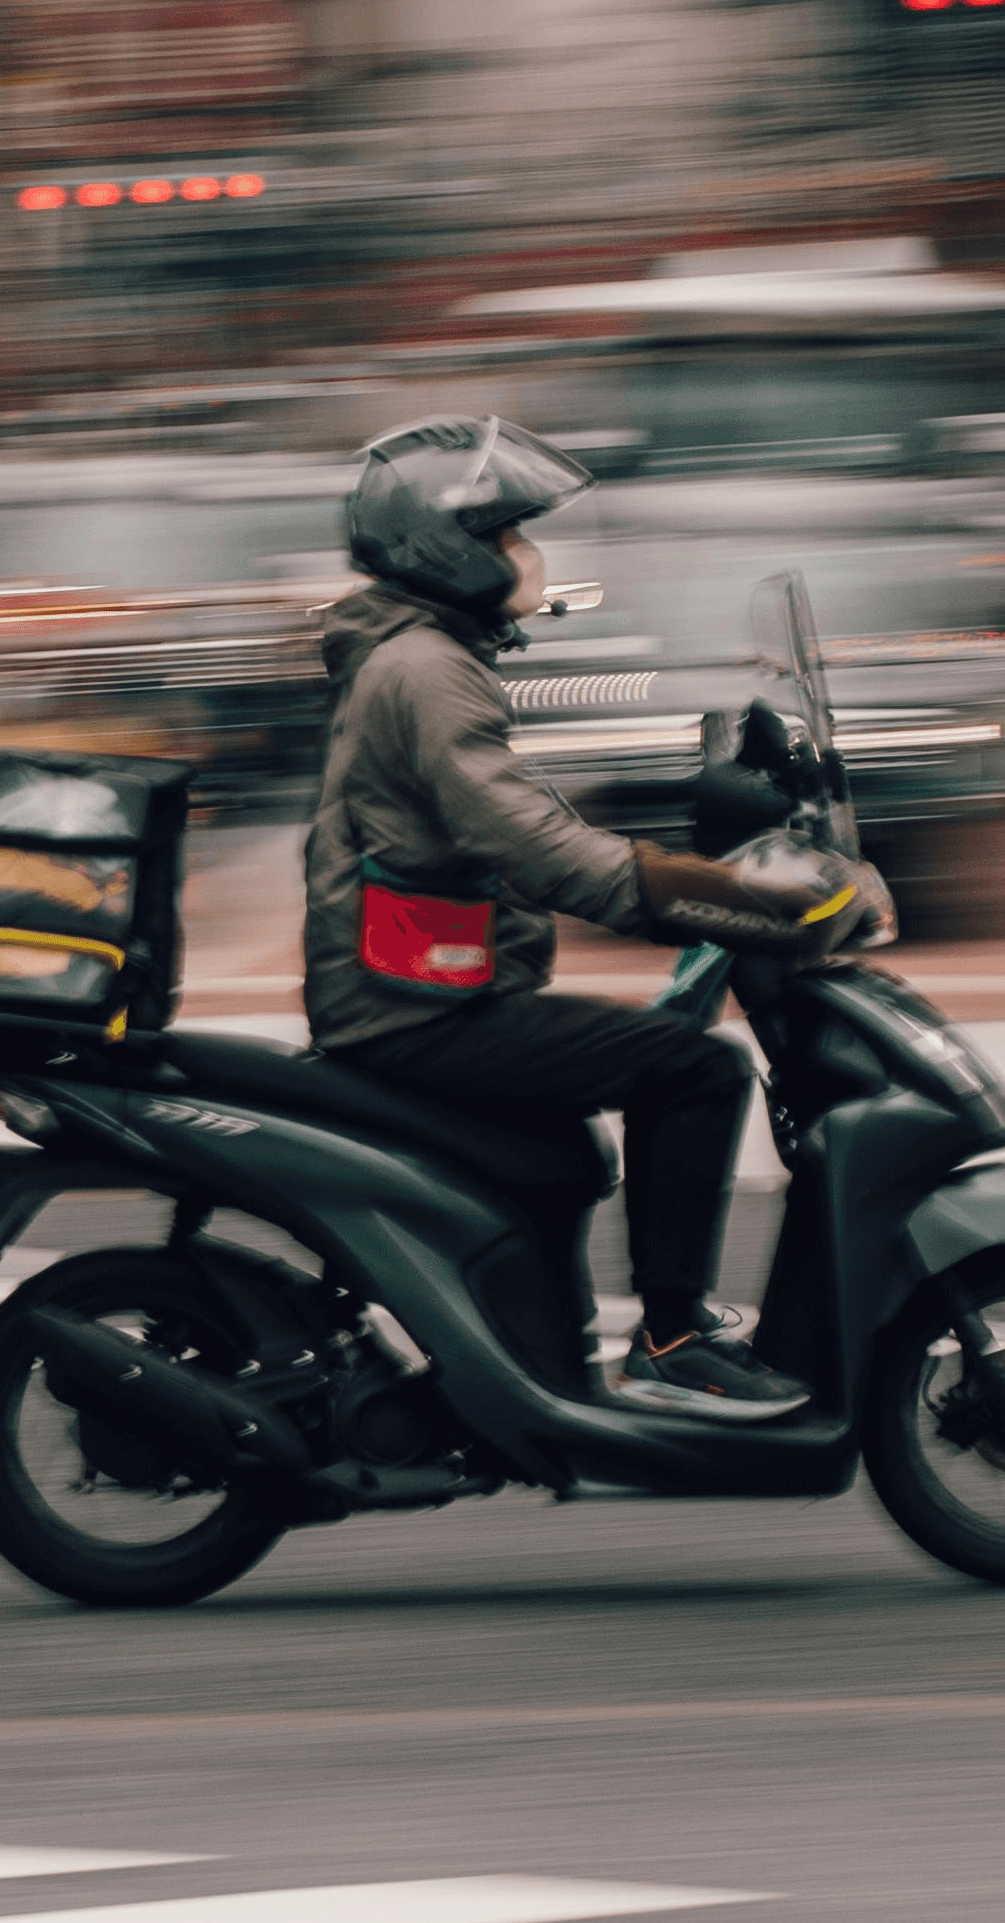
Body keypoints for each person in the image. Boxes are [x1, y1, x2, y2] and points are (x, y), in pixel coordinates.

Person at [303, 415, 888, 1412]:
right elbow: (532, 847)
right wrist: (734, 904)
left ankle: (547, 1361)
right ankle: (668, 1336)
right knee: (694, 1068)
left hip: (428, 994)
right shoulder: (426, 671)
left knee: (574, 1140)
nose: (530, 554)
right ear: (449, 549)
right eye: (509, 534)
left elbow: (515, 822)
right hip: (412, 1015)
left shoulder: (428, 657)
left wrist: (700, 830)